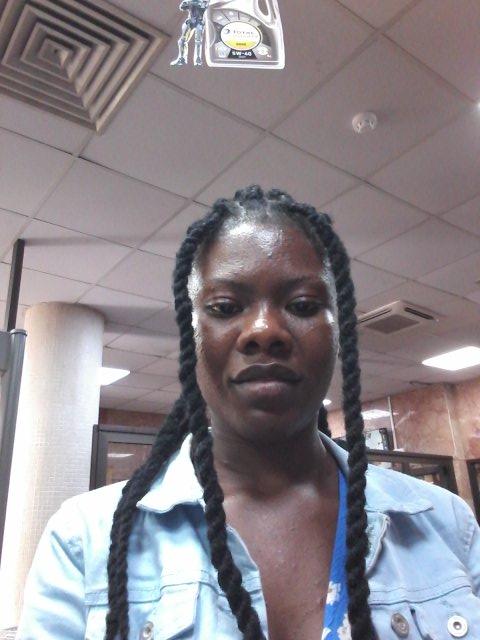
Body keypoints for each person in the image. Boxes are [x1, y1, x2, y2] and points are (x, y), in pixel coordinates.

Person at [17, 186, 480, 639]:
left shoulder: (445, 525)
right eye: (225, 307)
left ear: (338, 332)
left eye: (302, 305)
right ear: (191, 335)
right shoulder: (84, 541)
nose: (264, 330)